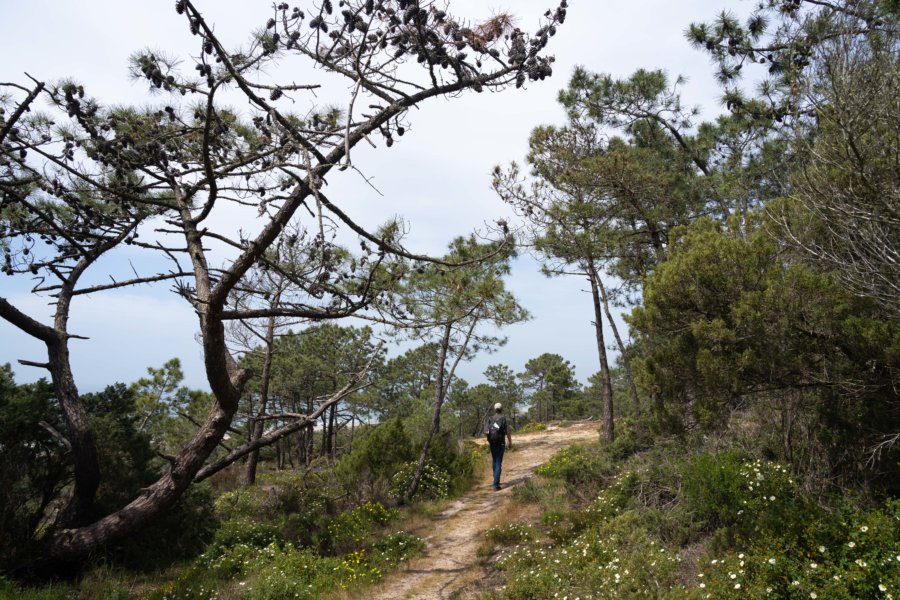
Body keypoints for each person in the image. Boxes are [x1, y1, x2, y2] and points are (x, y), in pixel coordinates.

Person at [486, 402, 512, 490]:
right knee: (498, 462)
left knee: (494, 461)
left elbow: (486, 432)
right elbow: (507, 432)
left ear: (495, 409)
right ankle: (495, 484)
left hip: (492, 442)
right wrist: (510, 442)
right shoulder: (503, 419)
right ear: (501, 409)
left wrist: (489, 440)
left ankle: (495, 479)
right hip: (501, 443)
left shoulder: (490, 418)